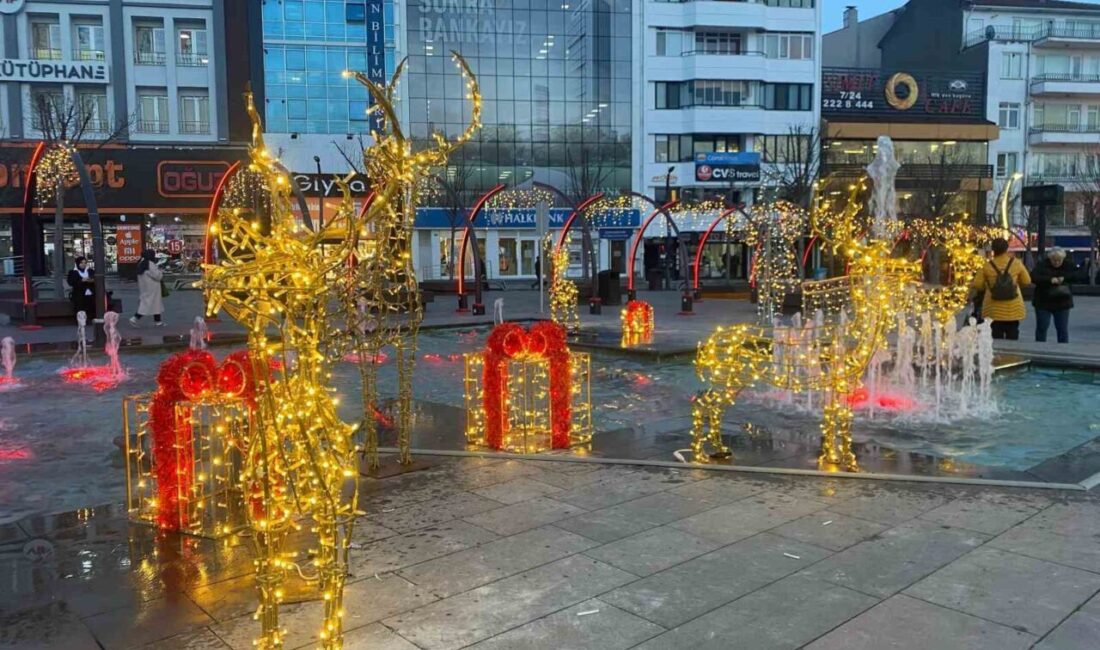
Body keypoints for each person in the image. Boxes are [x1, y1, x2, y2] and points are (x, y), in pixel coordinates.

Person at [970, 237, 1030, 340]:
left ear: (993, 249)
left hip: (993, 308)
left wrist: (989, 285)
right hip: (1013, 307)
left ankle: (998, 355)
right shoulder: (1016, 263)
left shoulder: (987, 266)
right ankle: (1012, 355)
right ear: (1007, 248)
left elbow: (977, 284)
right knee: (1012, 336)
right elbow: (1027, 281)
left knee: (995, 337)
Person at [1031, 247, 1077, 343]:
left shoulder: (1068, 265)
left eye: (1059, 260)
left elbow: (1080, 275)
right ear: (1050, 258)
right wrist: (1050, 280)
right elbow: (1034, 277)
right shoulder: (1042, 265)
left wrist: (1064, 278)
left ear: (1063, 259)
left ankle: (1063, 349)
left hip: (1062, 302)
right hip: (1043, 301)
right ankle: (1040, 348)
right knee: (1042, 327)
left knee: (1062, 329)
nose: (1056, 263)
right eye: (1054, 260)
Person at [130, 249, 165, 327]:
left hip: (145, 288)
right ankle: (135, 318)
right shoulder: (150, 264)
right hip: (153, 288)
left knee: (154, 304)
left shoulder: (141, 263)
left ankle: (158, 321)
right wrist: (161, 271)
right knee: (148, 305)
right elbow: (158, 276)